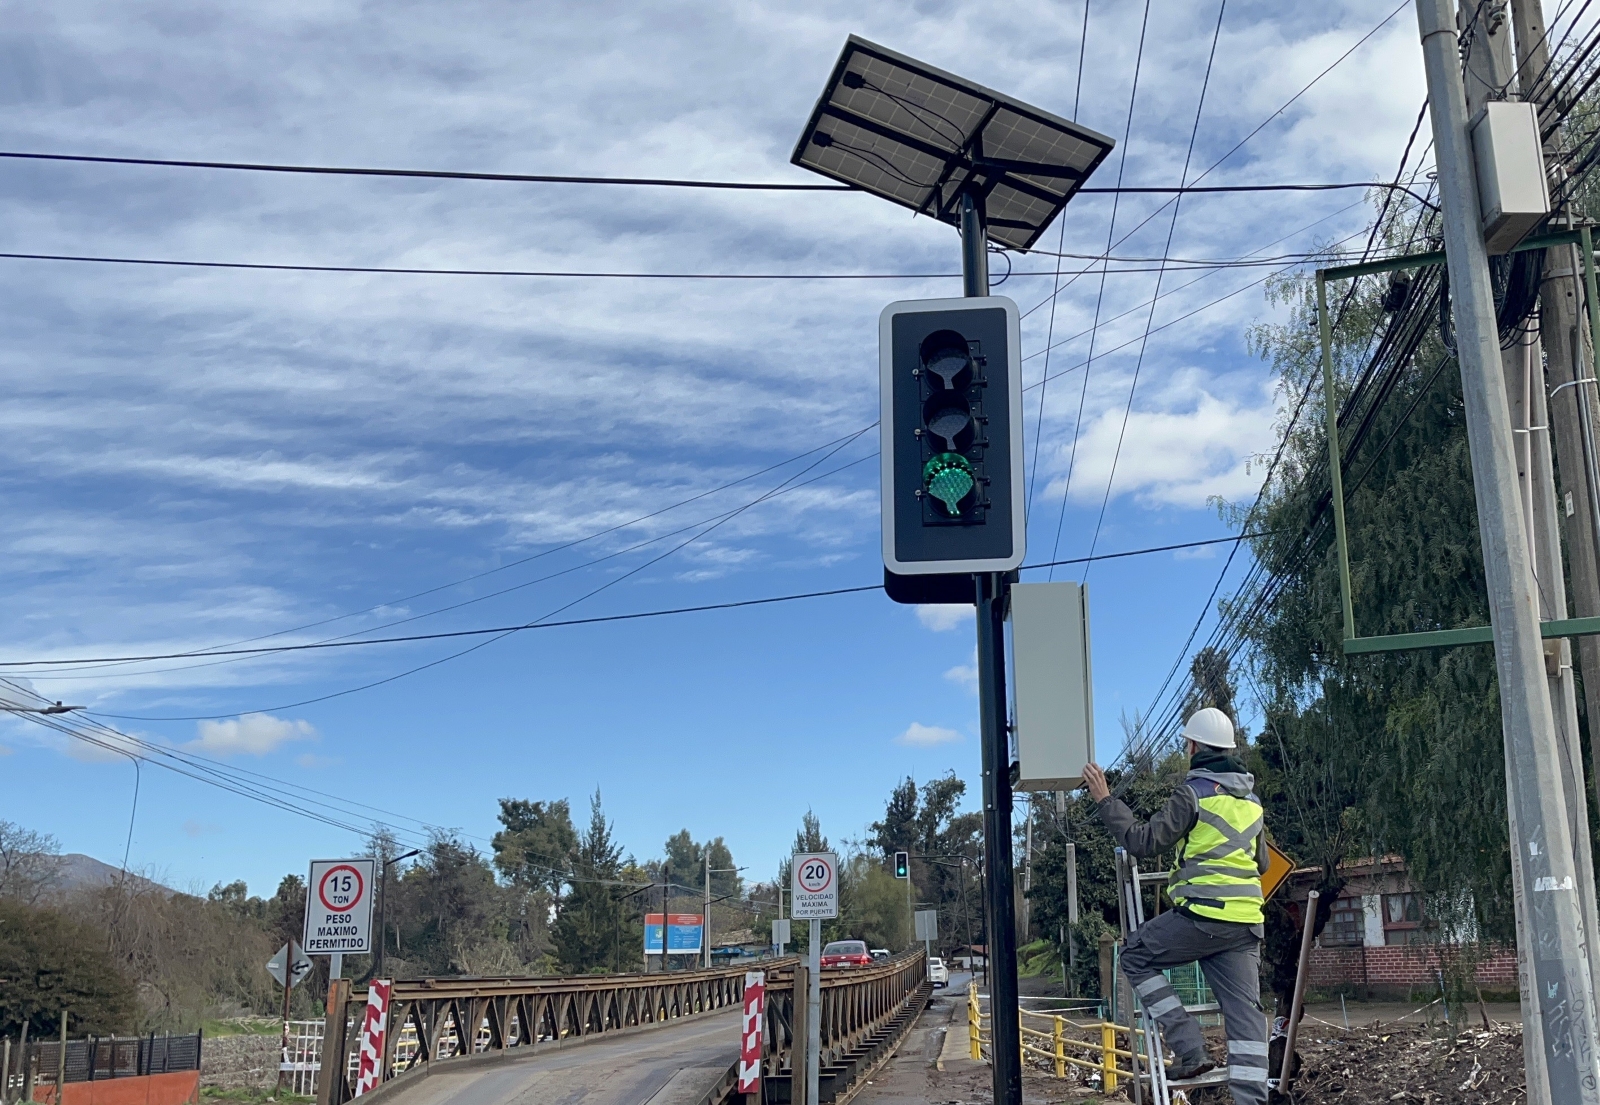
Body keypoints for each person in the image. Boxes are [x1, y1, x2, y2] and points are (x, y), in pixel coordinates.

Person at [1082, 706, 1269, 1105]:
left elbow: (1142, 842)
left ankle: (1189, 1049)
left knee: (1133, 955)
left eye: (1187, 743)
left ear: (1194, 746)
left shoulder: (1193, 793)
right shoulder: (1252, 802)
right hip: (1247, 923)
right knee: (1245, 1017)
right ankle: (1253, 1100)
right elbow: (1262, 863)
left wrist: (1105, 800)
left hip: (1203, 915)